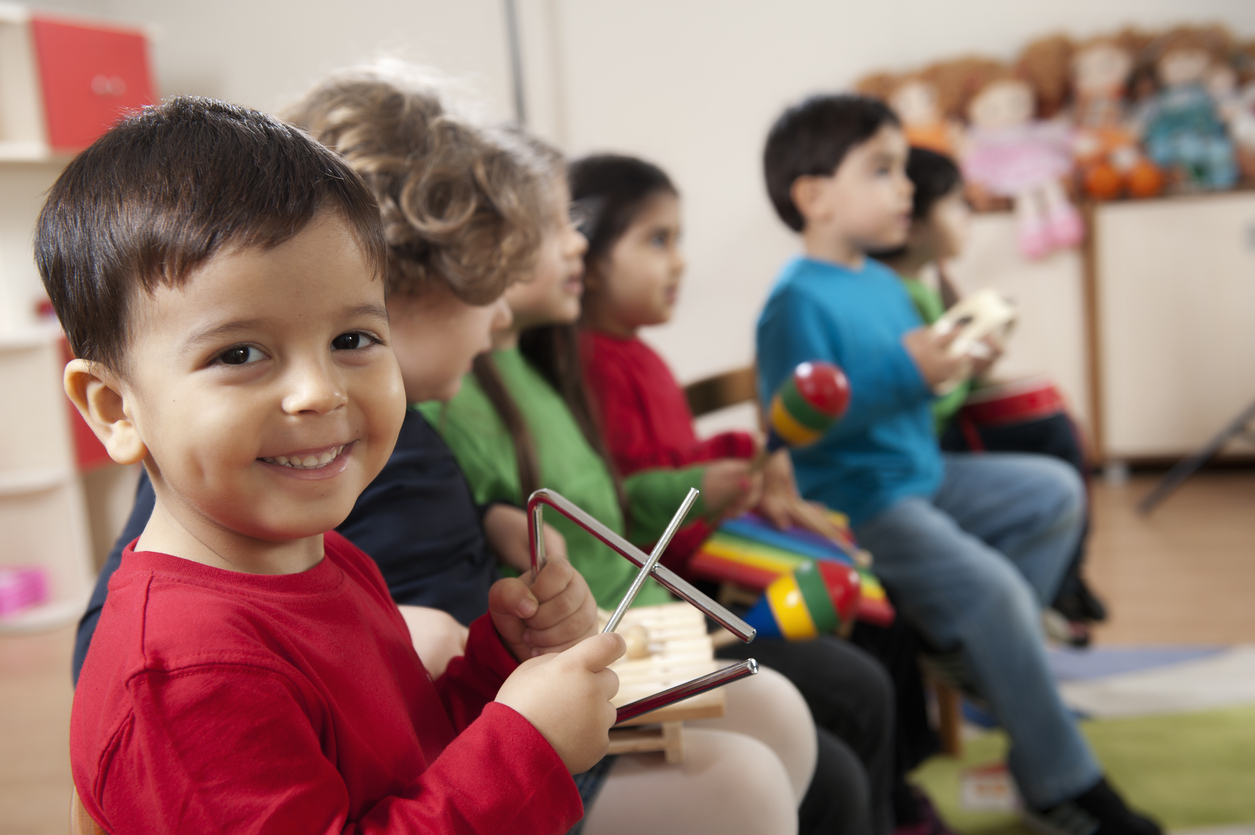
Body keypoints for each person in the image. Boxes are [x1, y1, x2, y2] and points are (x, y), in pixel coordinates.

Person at [71, 69, 808, 835]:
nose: (318, 393)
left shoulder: (325, 559)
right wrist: (527, 744)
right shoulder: (187, 677)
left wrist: (501, 668)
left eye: (352, 338)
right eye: (240, 352)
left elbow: (411, 759)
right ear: (116, 409)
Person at [426, 149, 899, 835]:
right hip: (619, 642)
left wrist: (709, 478)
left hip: (653, 618)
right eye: (556, 223)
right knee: (835, 757)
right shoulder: (459, 398)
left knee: (851, 696)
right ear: (472, 244)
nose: (576, 243)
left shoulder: (532, 366)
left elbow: (606, 505)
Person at [755, 92, 1161, 835]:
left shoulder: (883, 283)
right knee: (998, 594)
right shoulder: (793, 302)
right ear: (813, 197)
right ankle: (1057, 782)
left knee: (1054, 492)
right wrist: (908, 372)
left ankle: (965, 654)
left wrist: (957, 363)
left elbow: (917, 392)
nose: (905, 186)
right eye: (882, 170)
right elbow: (799, 432)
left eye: (903, 169)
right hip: (861, 502)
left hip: (924, 477)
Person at [570, 151, 955, 835]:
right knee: (862, 635)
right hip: (691, 574)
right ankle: (885, 800)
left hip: (707, 546)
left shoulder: (640, 353)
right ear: (589, 258)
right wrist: (707, 481)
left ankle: (893, 790)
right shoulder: (594, 366)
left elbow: (670, 457)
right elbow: (625, 496)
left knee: (871, 595)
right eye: (658, 240)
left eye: (679, 239)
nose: (680, 260)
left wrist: (741, 455)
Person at [870, 146, 1107, 644]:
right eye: (956, 204)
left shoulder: (925, 284)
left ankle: (1055, 584)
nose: (968, 215)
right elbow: (925, 402)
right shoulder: (899, 294)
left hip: (934, 437)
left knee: (1054, 423)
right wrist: (966, 369)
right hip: (926, 450)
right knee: (1054, 434)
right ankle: (1042, 594)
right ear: (911, 224)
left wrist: (976, 368)